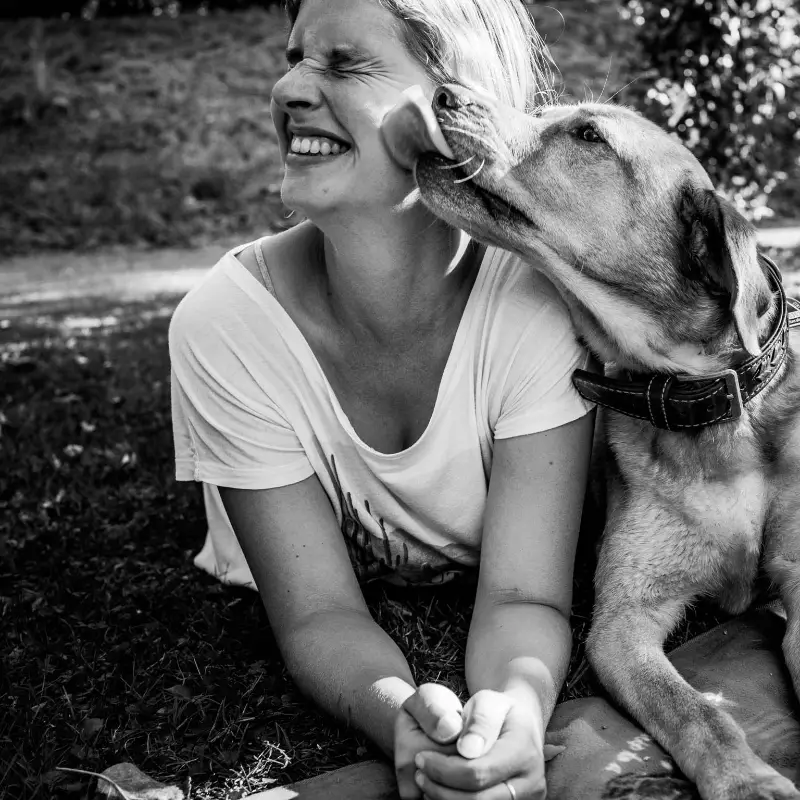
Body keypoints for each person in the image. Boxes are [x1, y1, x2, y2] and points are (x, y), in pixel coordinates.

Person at [168, 0, 595, 798]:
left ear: (456, 103)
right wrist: (401, 717)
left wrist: (514, 713)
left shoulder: (534, 304)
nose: (290, 87)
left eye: (344, 63)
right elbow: (318, 615)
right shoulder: (226, 325)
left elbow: (524, 593)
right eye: (293, 56)